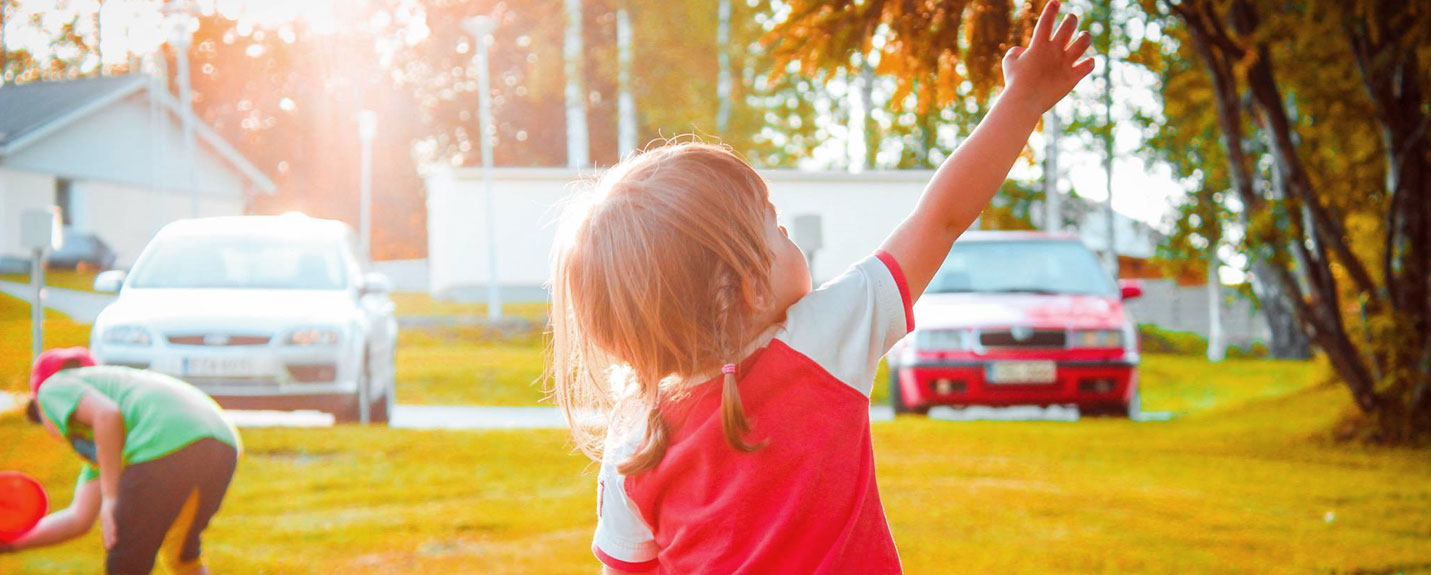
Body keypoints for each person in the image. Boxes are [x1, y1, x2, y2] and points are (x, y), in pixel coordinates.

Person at [547, 2, 1093, 573]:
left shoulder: (637, 439)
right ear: (751, 286)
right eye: (775, 227)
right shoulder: (826, 338)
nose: (788, 234)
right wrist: (1024, 100)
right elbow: (941, 218)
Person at [0, 347, 241, 575]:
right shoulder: (110, 448)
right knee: (181, 555)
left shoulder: (53, 387)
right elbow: (78, 519)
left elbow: (106, 414)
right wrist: (7, 542)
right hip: (221, 442)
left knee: (126, 558)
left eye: (39, 415)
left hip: (164, 441)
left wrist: (111, 498)